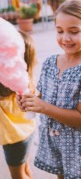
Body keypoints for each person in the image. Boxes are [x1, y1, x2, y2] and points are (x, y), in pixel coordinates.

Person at [18, 0, 81, 179]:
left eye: (74, 31)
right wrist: (28, 102)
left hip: (76, 146)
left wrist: (43, 107)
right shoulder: (50, 62)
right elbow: (40, 97)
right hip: (54, 141)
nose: (65, 38)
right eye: (60, 31)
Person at [0, 30, 37, 179]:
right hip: (27, 131)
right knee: (25, 169)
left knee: (18, 175)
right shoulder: (28, 81)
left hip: (14, 139)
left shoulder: (5, 90)